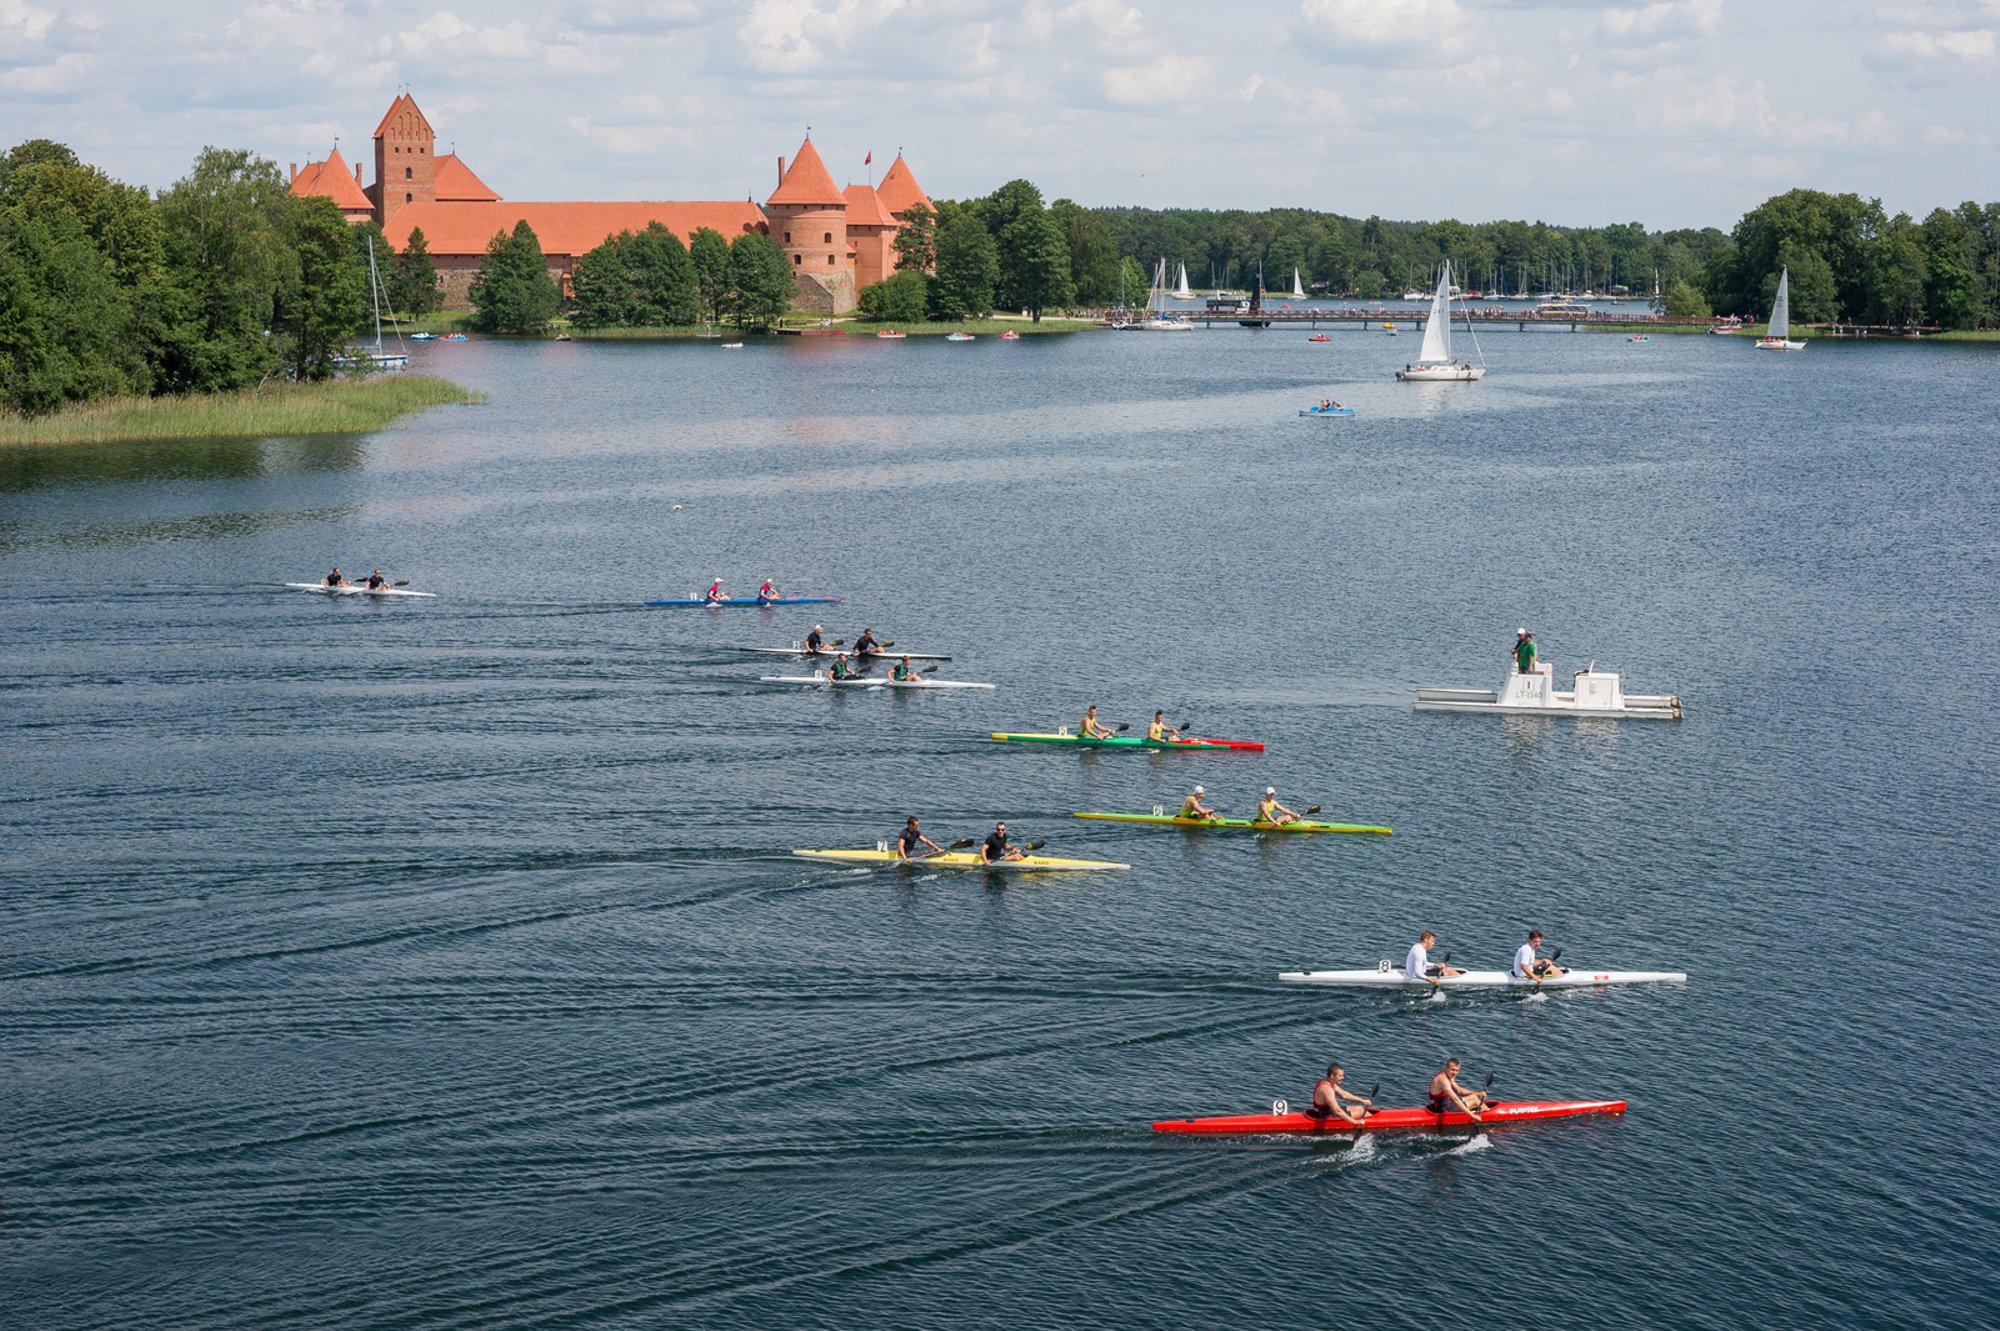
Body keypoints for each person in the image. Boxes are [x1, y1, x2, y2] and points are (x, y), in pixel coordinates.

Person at [1310, 1063, 1374, 1126]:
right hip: (1326, 1117)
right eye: (1340, 1076)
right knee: (1362, 1112)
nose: (1343, 1078)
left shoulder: (1329, 1082)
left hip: (1328, 1112)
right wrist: (1355, 1122)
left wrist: (1362, 1101)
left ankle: (1372, 1121)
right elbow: (1337, 1111)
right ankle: (1374, 1123)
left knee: (1360, 1108)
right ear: (1332, 1075)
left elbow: (1344, 1094)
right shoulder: (1327, 1089)